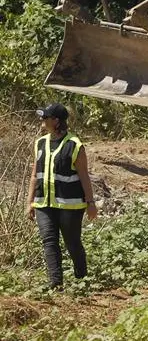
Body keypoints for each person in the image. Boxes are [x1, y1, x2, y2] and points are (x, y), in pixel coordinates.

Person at [26, 103, 97, 290]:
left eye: (45, 117)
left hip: (70, 205)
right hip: (44, 203)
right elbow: (35, 175)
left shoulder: (75, 145)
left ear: (56, 121)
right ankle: (55, 283)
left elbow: (84, 175)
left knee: (72, 243)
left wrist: (90, 203)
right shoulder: (40, 143)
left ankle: (82, 279)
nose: (42, 120)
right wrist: (30, 202)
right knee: (49, 241)